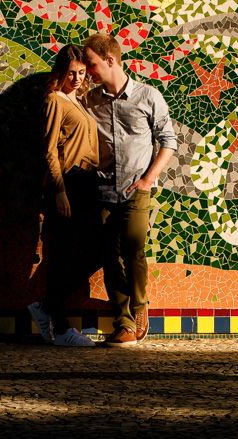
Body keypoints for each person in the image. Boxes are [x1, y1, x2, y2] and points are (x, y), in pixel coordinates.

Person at [81, 33, 177, 347]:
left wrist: (149, 179)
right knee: (110, 256)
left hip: (137, 188)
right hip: (103, 188)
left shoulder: (149, 96)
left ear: (110, 61)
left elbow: (168, 142)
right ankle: (123, 323)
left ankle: (140, 309)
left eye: (92, 64)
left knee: (133, 249)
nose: (89, 71)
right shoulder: (91, 100)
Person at [27, 45, 102, 347]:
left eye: (81, 72)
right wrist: (59, 191)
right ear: (60, 71)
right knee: (60, 256)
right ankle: (61, 327)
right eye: (71, 72)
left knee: (97, 249)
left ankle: (47, 306)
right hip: (67, 183)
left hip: (85, 183)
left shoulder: (79, 101)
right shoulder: (54, 100)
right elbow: (48, 150)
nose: (76, 77)